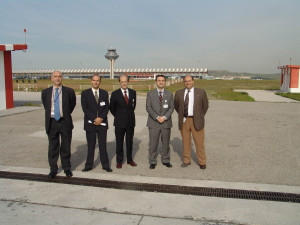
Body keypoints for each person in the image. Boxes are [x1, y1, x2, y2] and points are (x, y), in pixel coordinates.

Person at [41, 70, 76, 178]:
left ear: (62, 78)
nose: (57, 78)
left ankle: (66, 168)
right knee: (53, 147)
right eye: (55, 76)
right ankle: (53, 169)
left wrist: (63, 113)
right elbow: (46, 106)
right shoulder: (45, 92)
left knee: (66, 147)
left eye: (59, 76)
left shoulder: (69, 91)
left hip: (64, 121)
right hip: (52, 122)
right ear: (51, 78)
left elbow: (72, 105)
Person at [174, 75, 209, 169]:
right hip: (184, 120)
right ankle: (186, 160)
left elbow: (205, 106)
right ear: (183, 82)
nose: (187, 83)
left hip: (196, 120)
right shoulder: (179, 93)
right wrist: (183, 115)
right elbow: (176, 106)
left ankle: (202, 162)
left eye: (189, 81)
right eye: (185, 81)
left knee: (199, 143)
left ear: (193, 81)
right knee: (186, 142)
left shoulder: (201, 92)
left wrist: (200, 116)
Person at [81, 74, 112, 172]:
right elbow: (85, 108)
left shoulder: (104, 93)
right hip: (90, 123)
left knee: (103, 146)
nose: (95, 82)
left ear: (100, 82)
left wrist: (100, 119)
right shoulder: (85, 93)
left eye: (97, 80)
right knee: (91, 145)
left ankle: (105, 165)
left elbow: (106, 107)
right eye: (94, 80)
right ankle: (89, 165)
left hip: (102, 124)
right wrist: (95, 118)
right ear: (91, 81)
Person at [146, 74, 174, 169]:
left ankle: (166, 160)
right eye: (159, 80)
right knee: (153, 143)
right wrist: (157, 117)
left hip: (166, 122)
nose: (161, 82)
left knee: (166, 143)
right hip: (154, 122)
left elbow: (171, 107)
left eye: (162, 80)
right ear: (156, 82)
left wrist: (165, 117)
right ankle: (152, 161)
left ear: (165, 82)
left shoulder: (169, 94)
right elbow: (148, 108)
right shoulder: (150, 94)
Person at [110, 75, 137, 169]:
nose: (124, 83)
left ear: (128, 82)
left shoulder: (133, 92)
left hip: (130, 122)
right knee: (119, 142)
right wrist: (119, 116)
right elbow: (112, 108)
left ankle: (130, 160)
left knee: (130, 142)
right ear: (119, 83)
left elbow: (133, 106)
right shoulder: (115, 94)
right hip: (119, 122)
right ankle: (119, 161)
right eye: (122, 82)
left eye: (125, 81)